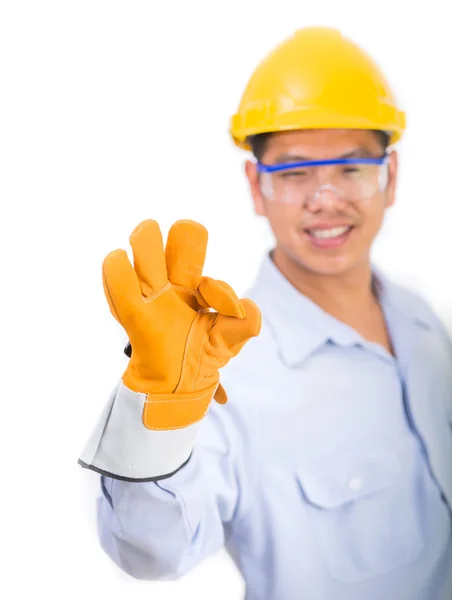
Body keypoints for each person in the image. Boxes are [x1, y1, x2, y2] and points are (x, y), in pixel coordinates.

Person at [78, 26, 452, 599]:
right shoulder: (229, 375)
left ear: (390, 177)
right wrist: (160, 405)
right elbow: (151, 550)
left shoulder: (423, 322)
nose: (325, 198)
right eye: (295, 172)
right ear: (256, 185)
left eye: (352, 168)